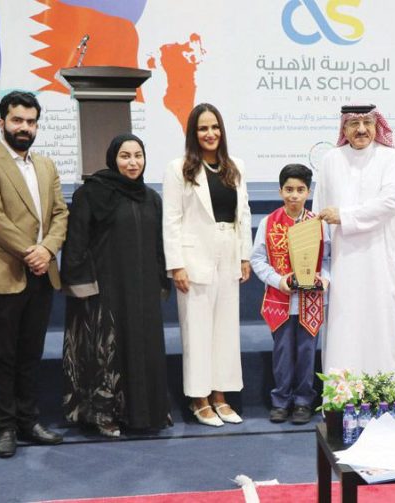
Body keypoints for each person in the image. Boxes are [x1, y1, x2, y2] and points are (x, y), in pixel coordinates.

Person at [0, 90, 68, 458]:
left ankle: (29, 421)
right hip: (4, 272)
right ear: (2, 122)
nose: (24, 127)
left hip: (42, 272)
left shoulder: (46, 165)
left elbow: (60, 214)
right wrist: (31, 252)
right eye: (17, 120)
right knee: (4, 355)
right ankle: (5, 427)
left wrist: (48, 249)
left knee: (31, 353)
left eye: (30, 121)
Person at [60, 134, 172, 437]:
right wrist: (82, 284)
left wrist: (161, 281)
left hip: (143, 289)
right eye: (125, 156)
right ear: (113, 158)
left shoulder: (151, 198)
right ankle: (103, 414)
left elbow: (158, 244)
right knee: (107, 351)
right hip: (106, 289)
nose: (133, 163)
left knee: (142, 347)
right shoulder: (92, 193)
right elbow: (77, 241)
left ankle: (145, 413)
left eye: (138, 155)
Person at [163, 103, 252, 427]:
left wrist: (244, 256)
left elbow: (244, 213)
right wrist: (177, 265)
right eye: (203, 128)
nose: (210, 133)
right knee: (197, 332)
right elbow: (171, 220)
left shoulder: (235, 166)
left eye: (215, 127)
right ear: (193, 133)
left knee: (225, 331)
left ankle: (220, 396)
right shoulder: (179, 169)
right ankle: (198, 399)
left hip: (228, 252)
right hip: (194, 258)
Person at [313, 104, 395, 385]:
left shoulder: (392, 159)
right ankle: (341, 396)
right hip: (342, 263)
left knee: (381, 327)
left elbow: (389, 203)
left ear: (377, 126)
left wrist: (344, 216)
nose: (362, 129)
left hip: (380, 262)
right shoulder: (331, 160)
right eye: (354, 123)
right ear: (344, 128)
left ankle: (382, 395)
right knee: (344, 327)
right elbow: (320, 209)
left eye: (367, 122)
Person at [250, 164, 330, 425]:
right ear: (280, 191)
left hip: (311, 301)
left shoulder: (319, 224)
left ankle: (304, 401)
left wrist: (325, 278)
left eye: (300, 189)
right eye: (289, 189)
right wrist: (278, 280)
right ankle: (281, 400)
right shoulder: (268, 222)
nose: (294, 195)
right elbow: (257, 260)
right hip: (280, 299)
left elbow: (328, 258)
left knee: (307, 352)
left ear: (308, 192)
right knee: (283, 352)